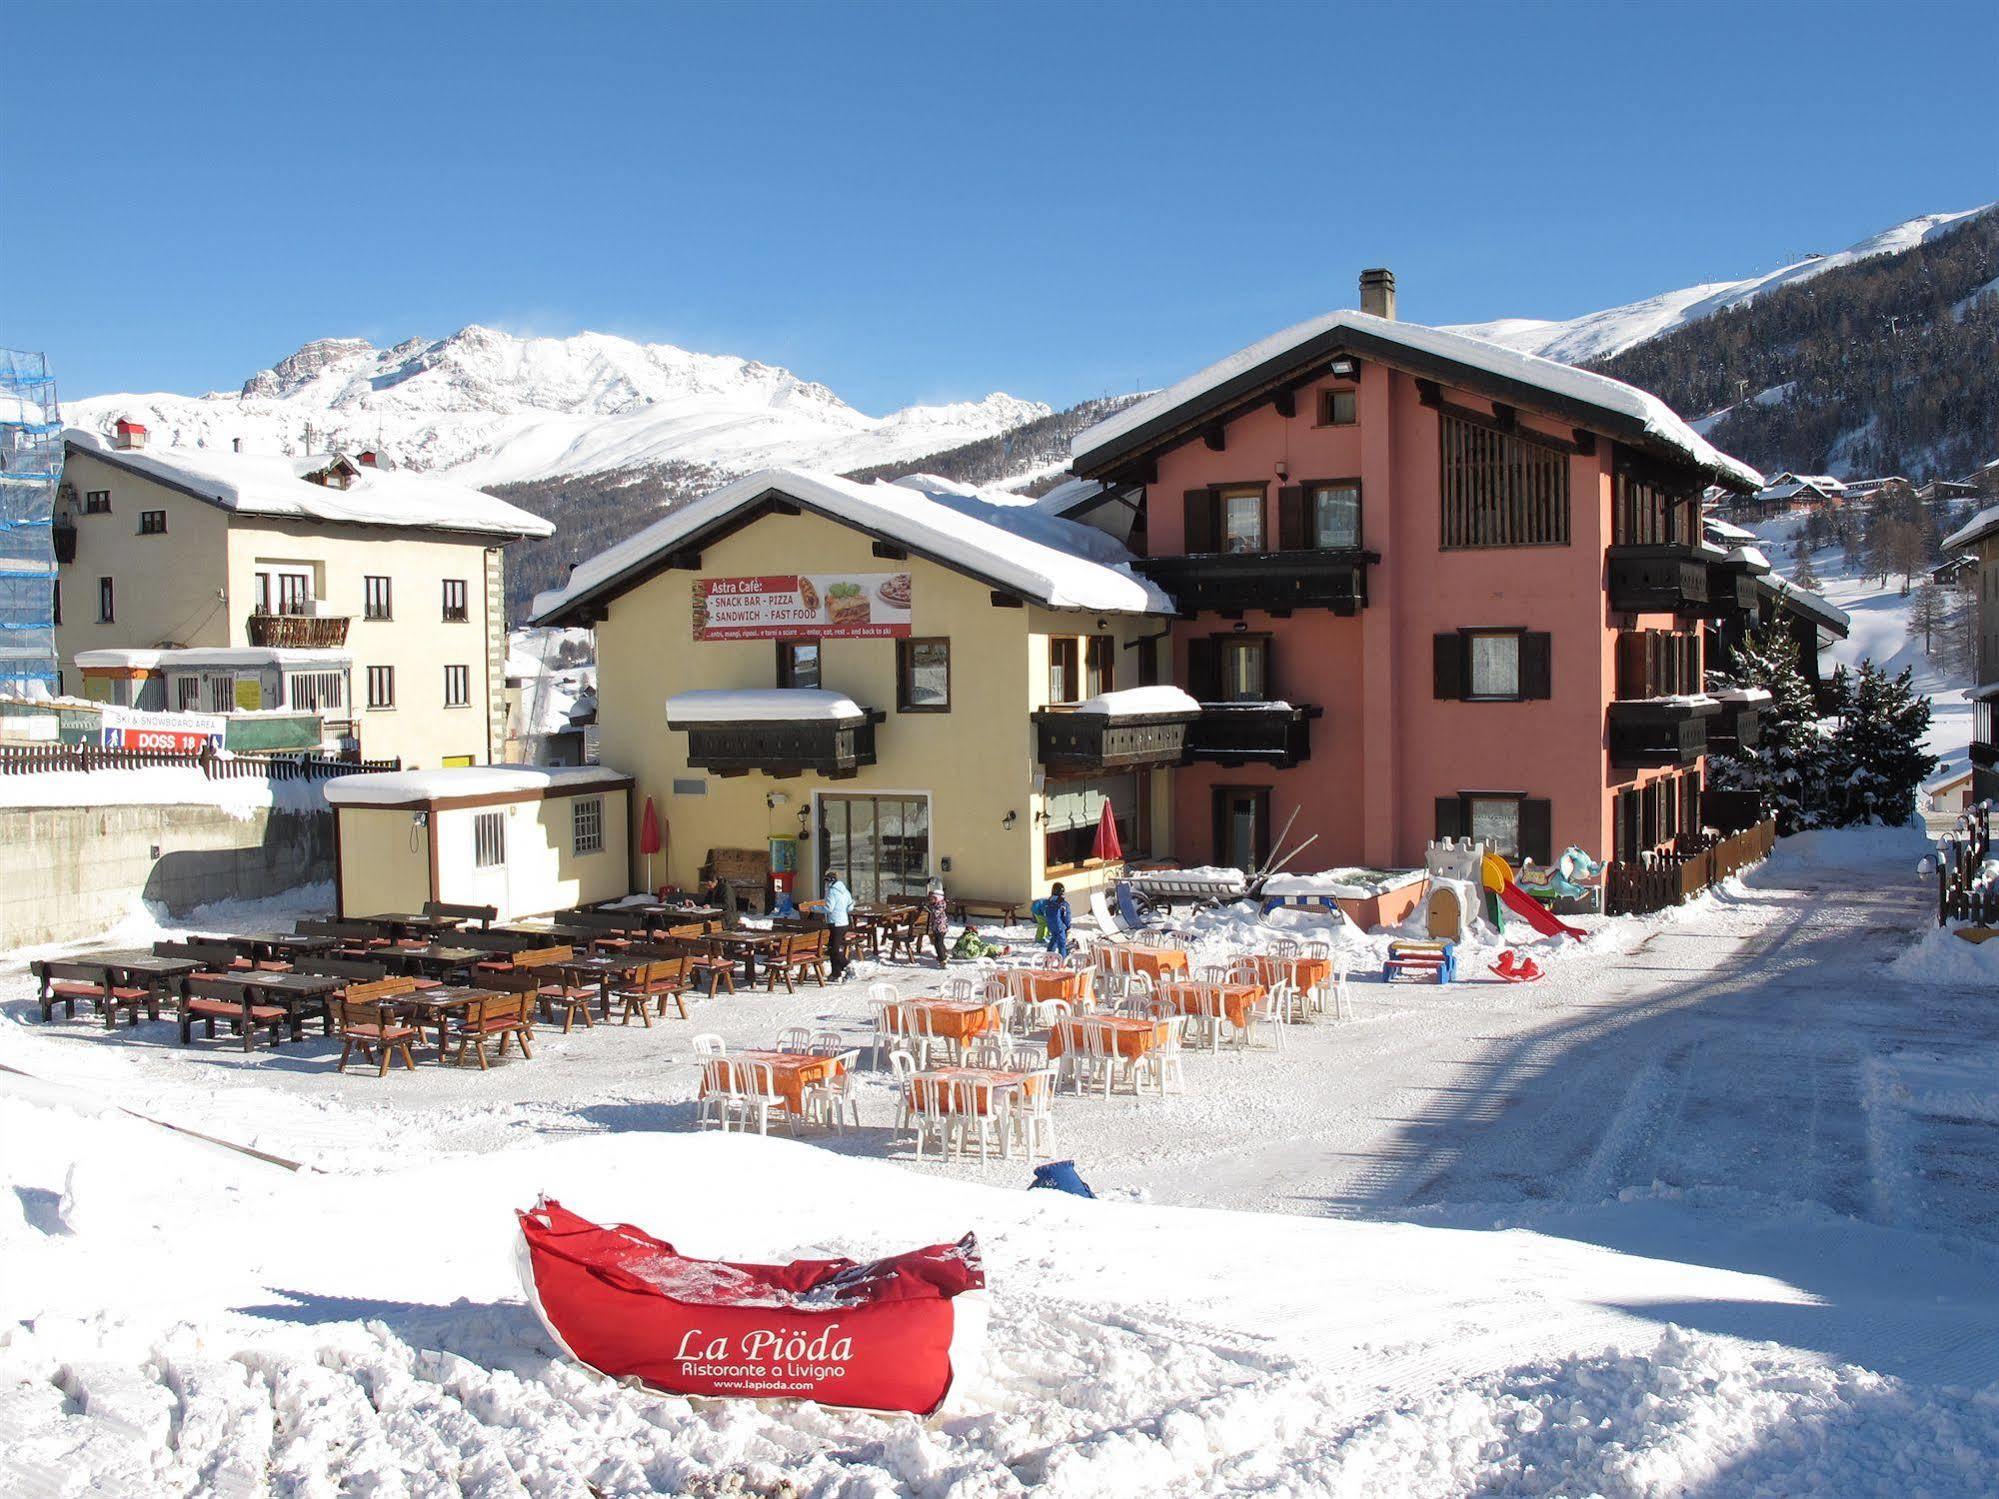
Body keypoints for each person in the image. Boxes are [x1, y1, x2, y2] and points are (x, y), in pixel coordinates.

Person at [824, 871, 854, 979]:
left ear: (830, 881)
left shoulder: (832, 892)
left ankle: (847, 966)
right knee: (832, 948)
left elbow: (829, 908)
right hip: (844, 923)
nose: (825, 883)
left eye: (826, 881)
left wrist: (814, 908)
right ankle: (835, 973)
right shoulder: (845, 890)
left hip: (835, 923)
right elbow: (850, 907)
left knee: (834, 949)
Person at [923, 877, 950, 967]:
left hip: (940, 928)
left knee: (938, 943)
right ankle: (942, 955)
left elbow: (935, 912)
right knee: (939, 942)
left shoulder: (940, 905)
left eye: (933, 898)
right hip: (938, 927)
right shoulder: (937, 904)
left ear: (938, 898)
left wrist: (928, 908)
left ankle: (943, 959)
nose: (931, 900)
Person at [1044, 881, 1072, 959]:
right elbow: (1067, 917)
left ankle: (1048, 959)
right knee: (1062, 944)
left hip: (1051, 926)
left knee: (1053, 941)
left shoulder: (1049, 901)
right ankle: (1063, 960)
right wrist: (1068, 927)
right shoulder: (1063, 904)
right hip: (1060, 927)